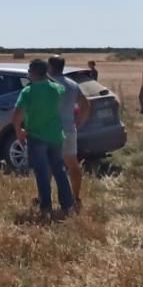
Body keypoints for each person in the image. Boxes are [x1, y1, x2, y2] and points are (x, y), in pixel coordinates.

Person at [12, 59, 74, 219]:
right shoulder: (56, 88)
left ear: (32, 73)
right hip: (55, 136)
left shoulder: (28, 91)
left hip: (36, 136)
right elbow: (57, 86)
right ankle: (67, 205)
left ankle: (45, 207)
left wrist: (19, 131)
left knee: (41, 173)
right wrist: (47, 76)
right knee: (59, 171)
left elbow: (17, 114)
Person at [48, 55, 92, 204]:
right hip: (68, 129)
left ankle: (44, 198)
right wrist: (78, 123)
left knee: (47, 165)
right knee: (73, 164)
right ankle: (76, 196)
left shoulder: (48, 84)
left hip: (50, 131)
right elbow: (86, 106)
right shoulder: (73, 85)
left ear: (50, 67)